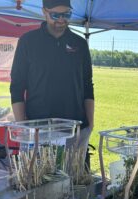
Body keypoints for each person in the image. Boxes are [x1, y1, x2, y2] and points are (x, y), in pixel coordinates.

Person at [10, 0, 94, 149]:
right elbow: (17, 86)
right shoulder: (28, 41)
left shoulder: (80, 44)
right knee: (38, 173)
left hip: (74, 128)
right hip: (37, 129)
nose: (61, 20)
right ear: (44, 12)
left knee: (72, 172)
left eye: (67, 14)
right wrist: (22, 125)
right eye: (56, 15)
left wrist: (90, 124)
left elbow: (87, 85)